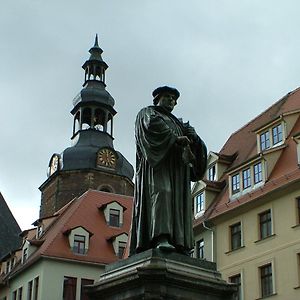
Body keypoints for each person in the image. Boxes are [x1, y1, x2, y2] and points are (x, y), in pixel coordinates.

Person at [129, 86, 207, 255]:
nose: (172, 100)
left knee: (179, 202)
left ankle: (179, 242)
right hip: (157, 167)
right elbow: (151, 128)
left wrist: (194, 138)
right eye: (168, 97)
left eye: (174, 98)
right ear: (157, 98)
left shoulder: (178, 122)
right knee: (163, 193)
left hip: (178, 171)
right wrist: (175, 138)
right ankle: (160, 237)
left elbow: (194, 149)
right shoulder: (148, 113)